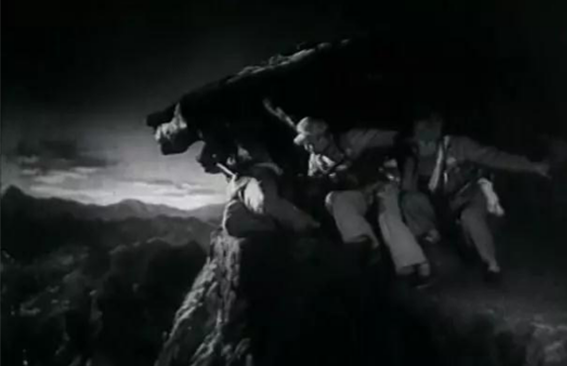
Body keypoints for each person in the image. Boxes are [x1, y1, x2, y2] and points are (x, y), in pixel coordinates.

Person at [399, 111, 550, 281]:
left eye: (426, 138)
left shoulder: (459, 146)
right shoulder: (412, 158)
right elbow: (407, 190)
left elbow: (494, 157)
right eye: (418, 139)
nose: (422, 144)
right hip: (444, 208)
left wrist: (532, 166)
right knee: (409, 201)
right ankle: (433, 251)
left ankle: (492, 265)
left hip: (470, 197)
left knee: (470, 216)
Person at [294, 116, 431, 283]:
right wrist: (323, 182)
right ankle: (364, 246)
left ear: (324, 136)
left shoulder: (353, 139)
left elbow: (400, 139)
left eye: (310, 142)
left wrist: (404, 175)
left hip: (382, 184)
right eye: (305, 144)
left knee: (387, 215)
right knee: (335, 199)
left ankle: (413, 265)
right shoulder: (316, 161)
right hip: (357, 195)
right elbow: (314, 188)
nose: (308, 148)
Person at [153, 104, 319, 238]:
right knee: (232, 224)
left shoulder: (247, 131)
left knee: (264, 202)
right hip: (236, 183)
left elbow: (257, 157)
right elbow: (214, 161)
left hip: (259, 173)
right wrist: (215, 164)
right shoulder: (219, 139)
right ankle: (275, 227)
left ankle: (307, 225)